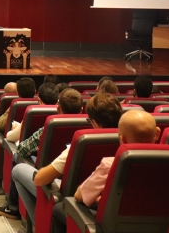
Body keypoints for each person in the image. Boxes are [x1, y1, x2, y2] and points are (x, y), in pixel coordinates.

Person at [9, 93, 122, 224]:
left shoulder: (82, 142)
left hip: (69, 198)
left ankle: (44, 224)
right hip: (108, 203)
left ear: (95, 122)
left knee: (18, 169)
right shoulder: (129, 142)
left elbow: (41, 179)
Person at [51, 110, 161, 233]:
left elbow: (79, 196)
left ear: (122, 139)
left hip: (112, 227)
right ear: (157, 133)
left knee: (60, 208)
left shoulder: (111, 165)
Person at [0, 88, 83, 220]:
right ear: (82, 109)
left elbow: (22, 150)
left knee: (17, 158)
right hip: (80, 183)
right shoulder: (90, 130)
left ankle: (15, 209)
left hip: (52, 178)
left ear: (58, 108)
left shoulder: (49, 128)